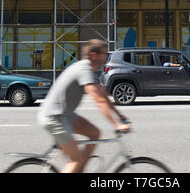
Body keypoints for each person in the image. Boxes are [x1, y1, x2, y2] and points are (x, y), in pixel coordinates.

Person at [38, 39, 130, 173]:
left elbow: (103, 95)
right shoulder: (84, 70)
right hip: (54, 117)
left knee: (95, 133)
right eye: (104, 53)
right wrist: (116, 125)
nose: (107, 56)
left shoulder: (89, 70)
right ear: (94, 55)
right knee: (76, 159)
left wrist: (120, 115)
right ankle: (78, 165)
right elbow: (99, 101)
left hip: (65, 114)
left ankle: (80, 169)